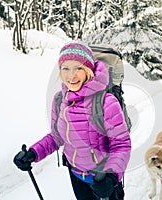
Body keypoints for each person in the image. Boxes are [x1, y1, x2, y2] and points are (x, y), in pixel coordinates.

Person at [13, 40, 132, 200]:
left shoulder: (106, 101)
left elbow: (121, 145)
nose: (71, 75)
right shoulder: (59, 100)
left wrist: (111, 176)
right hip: (76, 175)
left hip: (102, 179)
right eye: (66, 68)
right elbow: (57, 137)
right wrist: (33, 153)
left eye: (78, 68)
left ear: (88, 69)